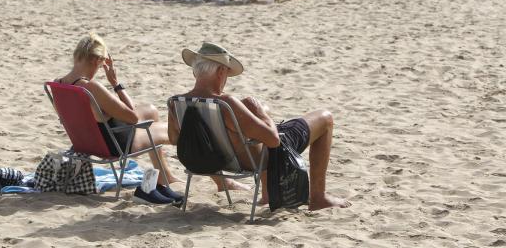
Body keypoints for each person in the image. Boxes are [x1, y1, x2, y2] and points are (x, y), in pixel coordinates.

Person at [168, 42, 351, 209]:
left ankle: (267, 195)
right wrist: (262, 113)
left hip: (217, 160)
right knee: (325, 118)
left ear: (195, 72)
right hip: (253, 160)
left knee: (249, 109)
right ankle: (318, 198)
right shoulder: (226, 104)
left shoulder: (176, 103)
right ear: (221, 72)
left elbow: (174, 139)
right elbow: (273, 141)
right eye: (227, 73)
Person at [55, 34, 180, 187]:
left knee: (151, 111)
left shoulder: (59, 85)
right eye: (101, 65)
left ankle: (164, 174)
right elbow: (132, 118)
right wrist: (115, 83)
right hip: (115, 144)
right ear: (96, 60)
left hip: (85, 141)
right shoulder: (91, 88)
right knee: (172, 129)